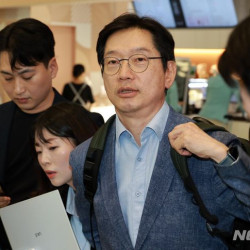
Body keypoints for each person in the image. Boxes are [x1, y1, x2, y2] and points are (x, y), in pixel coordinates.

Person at [70, 13, 250, 249]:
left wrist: (222, 156)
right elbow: (93, 234)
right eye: (113, 62)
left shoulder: (214, 148)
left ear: (169, 72)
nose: (124, 73)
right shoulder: (86, 157)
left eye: (139, 59)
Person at [0, 18, 103, 249]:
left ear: (52, 67)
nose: (17, 89)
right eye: (7, 78)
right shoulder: (2, 119)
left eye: (27, 76)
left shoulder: (86, 123)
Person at [34, 102, 98, 250]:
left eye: (52, 148)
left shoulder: (109, 200)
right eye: (38, 151)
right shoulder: (54, 204)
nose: (44, 160)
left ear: (82, 143)